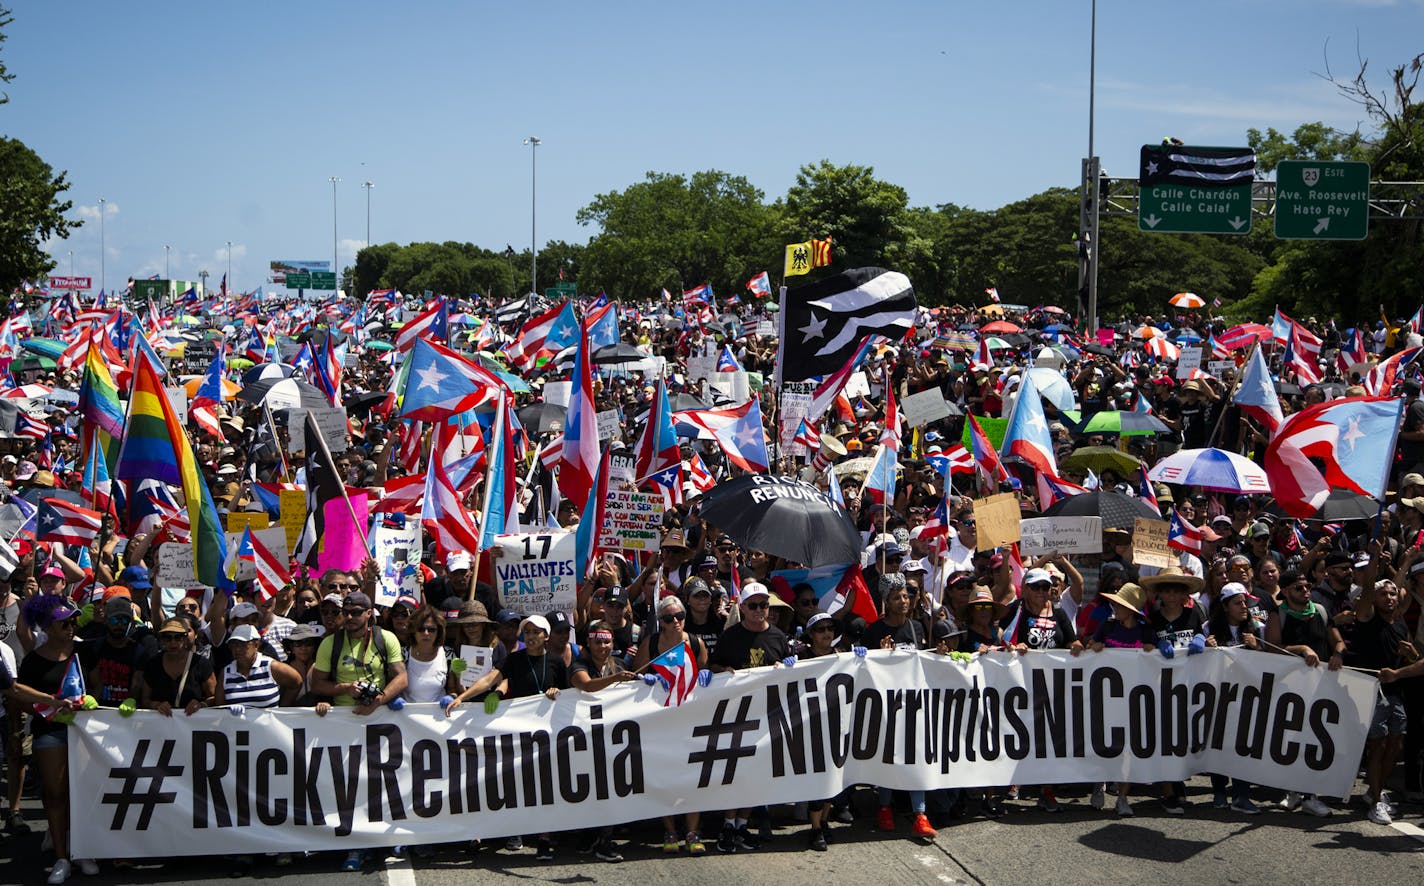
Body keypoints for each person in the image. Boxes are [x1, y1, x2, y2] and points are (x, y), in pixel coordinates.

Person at [445, 615, 568, 861]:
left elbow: (569, 696)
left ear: (546, 636)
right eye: (528, 632)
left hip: (546, 733)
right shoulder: (513, 659)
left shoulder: (555, 661)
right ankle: (517, 830)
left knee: (544, 785)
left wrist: (557, 692)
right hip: (518, 730)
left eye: (536, 632)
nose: (531, 636)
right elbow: (490, 679)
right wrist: (463, 697)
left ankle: (544, 839)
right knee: (518, 782)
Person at [308, 591, 408, 872]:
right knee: (348, 786)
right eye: (346, 612)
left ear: (369, 613)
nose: (349, 617)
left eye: (356, 612)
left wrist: (377, 700)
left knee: (380, 783)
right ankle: (354, 842)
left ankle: (386, 837)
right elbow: (318, 684)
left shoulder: (384, 638)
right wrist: (343, 689)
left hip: (378, 718)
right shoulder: (331, 642)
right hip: (343, 722)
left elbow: (401, 676)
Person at [19, 594, 97, 883]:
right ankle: (62, 856)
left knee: (83, 793)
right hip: (50, 732)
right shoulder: (33, 661)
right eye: (64, 623)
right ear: (48, 628)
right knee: (56, 793)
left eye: (73, 621)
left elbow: (96, 685)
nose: (71, 627)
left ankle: (82, 849)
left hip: (85, 733)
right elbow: (21, 698)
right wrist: (48, 711)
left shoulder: (84, 652)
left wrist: (90, 702)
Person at [710, 583, 788, 853]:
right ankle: (728, 825)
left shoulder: (779, 637)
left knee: (756, 775)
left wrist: (786, 668)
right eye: (753, 606)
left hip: (767, 718)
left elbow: (793, 672)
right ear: (741, 608)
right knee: (736, 774)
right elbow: (713, 665)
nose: (759, 610)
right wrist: (724, 671)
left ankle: (743, 824)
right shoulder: (730, 636)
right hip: (737, 717)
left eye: (763, 605)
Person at [634, 595, 710, 856]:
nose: (675, 622)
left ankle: (692, 831)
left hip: (690, 719)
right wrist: (651, 680)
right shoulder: (651, 643)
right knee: (664, 777)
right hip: (661, 721)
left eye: (679, 617)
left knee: (692, 777)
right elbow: (636, 675)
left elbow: (704, 674)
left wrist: (708, 675)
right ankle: (669, 830)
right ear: (661, 621)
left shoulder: (697, 643)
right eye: (668, 618)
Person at [1264, 569, 1341, 818]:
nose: (1306, 591)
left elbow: (1336, 640)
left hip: (1320, 688)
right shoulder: (1278, 615)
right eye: (1299, 588)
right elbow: (1272, 649)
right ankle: (1294, 791)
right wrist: (1302, 648)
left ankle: (1311, 795)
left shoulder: (1319, 611)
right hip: (1292, 690)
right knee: (1293, 739)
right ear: (1285, 592)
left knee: (1314, 740)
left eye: (1308, 586)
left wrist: (1338, 652)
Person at [568, 620, 638, 862]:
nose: (602, 646)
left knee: (610, 789)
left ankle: (604, 839)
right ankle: (591, 834)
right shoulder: (579, 664)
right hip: (585, 739)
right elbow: (585, 685)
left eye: (607, 641)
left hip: (613, 739)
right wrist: (616, 678)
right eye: (597, 642)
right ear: (589, 642)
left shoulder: (617, 665)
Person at [1350, 579, 1415, 825]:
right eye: (1383, 594)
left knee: (1395, 744)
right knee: (1376, 746)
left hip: (1396, 692)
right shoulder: (1367, 620)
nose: (1389, 598)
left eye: (1392, 594)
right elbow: (1366, 590)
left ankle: (1373, 792)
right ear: (1374, 599)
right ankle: (1376, 803)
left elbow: (1413, 658)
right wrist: (1375, 557)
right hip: (1374, 692)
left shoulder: (1399, 622)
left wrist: (1411, 655)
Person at [1204, 583, 1264, 814]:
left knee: (1242, 746)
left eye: (1245, 603)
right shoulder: (1208, 628)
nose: (1244, 607)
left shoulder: (1255, 629)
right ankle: (1219, 791)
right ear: (1226, 606)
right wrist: (1206, 648)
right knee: (1218, 744)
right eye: (1238, 603)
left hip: (1246, 698)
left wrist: (1256, 647)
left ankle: (1241, 794)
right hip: (1218, 697)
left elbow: (1267, 663)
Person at [140, 616, 216, 717]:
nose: (173, 642)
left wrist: (201, 705)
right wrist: (156, 705)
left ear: (185, 639)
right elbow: (144, 699)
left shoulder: (201, 663)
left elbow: (214, 697)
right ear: (161, 639)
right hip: (159, 725)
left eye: (178, 637)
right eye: (167, 637)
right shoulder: (153, 664)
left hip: (192, 725)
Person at [402, 605, 450, 703]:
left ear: (439, 632)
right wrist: (394, 698)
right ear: (413, 631)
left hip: (439, 715)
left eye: (431, 630)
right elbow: (392, 683)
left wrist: (452, 696)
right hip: (405, 716)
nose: (426, 633)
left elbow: (454, 689)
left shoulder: (449, 654)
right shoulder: (402, 654)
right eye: (421, 629)